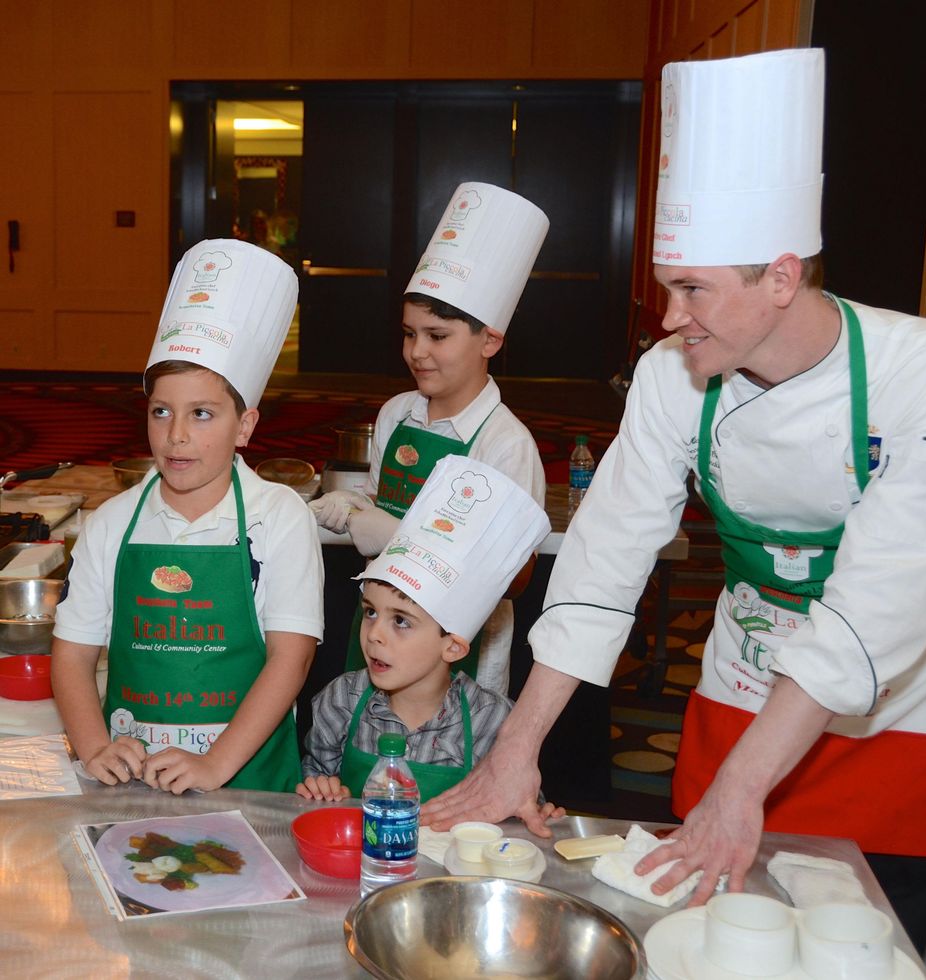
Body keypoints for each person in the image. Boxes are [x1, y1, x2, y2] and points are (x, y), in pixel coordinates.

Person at [423, 49, 926, 953]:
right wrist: (516, 746)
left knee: (864, 946)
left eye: (693, 290)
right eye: (667, 286)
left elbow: (877, 608)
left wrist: (743, 787)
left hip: (901, 708)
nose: (670, 317)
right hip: (748, 676)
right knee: (719, 940)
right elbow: (605, 559)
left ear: (781, 277)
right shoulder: (672, 378)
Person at [52, 239, 325, 795]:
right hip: (135, 783)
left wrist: (215, 764)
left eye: (202, 414)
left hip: (247, 781)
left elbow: (290, 661)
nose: (176, 435)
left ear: (245, 426)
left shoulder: (280, 516)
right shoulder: (111, 521)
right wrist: (94, 746)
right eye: (161, 412)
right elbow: (72, 657)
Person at [311, 182, 548, 694]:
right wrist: (352, 505)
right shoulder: (397, 414)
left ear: (490, 339)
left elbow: (518, 578)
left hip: (460, 656)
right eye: (408, 332)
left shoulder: (505, 444)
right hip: (377, 632)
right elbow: (382, 499)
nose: (417, 352)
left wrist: (402, 540)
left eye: (437, 336)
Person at [298, 455, 561, 817]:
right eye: (370, 612)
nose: (374, 634)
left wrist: (531, 812)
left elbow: (519, 803)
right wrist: (320, 788)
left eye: (401, 621)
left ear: (452, 645)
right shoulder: (341, 701)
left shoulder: (493, 719)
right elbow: (315, 777)